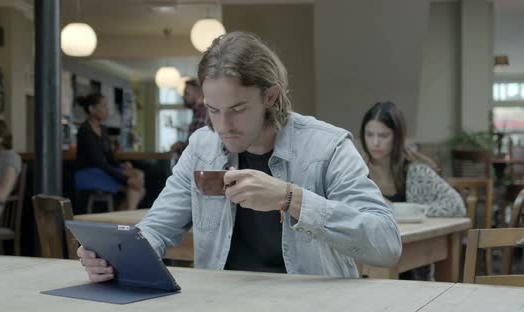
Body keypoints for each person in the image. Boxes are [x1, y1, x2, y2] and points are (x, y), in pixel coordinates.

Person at [78, 32, 401, 281]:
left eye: (237, 109)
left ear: (271, 96)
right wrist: (114, 258)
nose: (222, 126)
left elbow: (386, 245)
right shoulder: (202, 147)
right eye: (213, 111)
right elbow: (157, 229)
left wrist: (292, 198)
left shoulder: (328, 147)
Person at [359, 101, 466, 280]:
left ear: (397, 136)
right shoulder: (357, 171)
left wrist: (402, 211)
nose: (375, 142)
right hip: (365, 264)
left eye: (383, 135)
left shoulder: (415, 171)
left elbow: (456, 206)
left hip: (412, 268)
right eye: (369, 134)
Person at [76, 93, 146, 211]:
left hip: (102, 171)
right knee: (136, 187)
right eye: (103, 106)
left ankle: (123, 220)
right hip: (88, 174)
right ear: (91, 109)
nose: (107, 110)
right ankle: (126, 223)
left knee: (138, 176)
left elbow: (108, 155)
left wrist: (121, 166)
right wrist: (126, 179)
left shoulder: (103, 129)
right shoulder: (85, 130)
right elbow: (99, 162)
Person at [170, 78, 207, 154]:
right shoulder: (197, 113)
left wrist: (180, 148)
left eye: (186, 93)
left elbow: (196, 149)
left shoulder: (202, 113)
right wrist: (182, 145)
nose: (183, 97)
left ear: (197, 94)